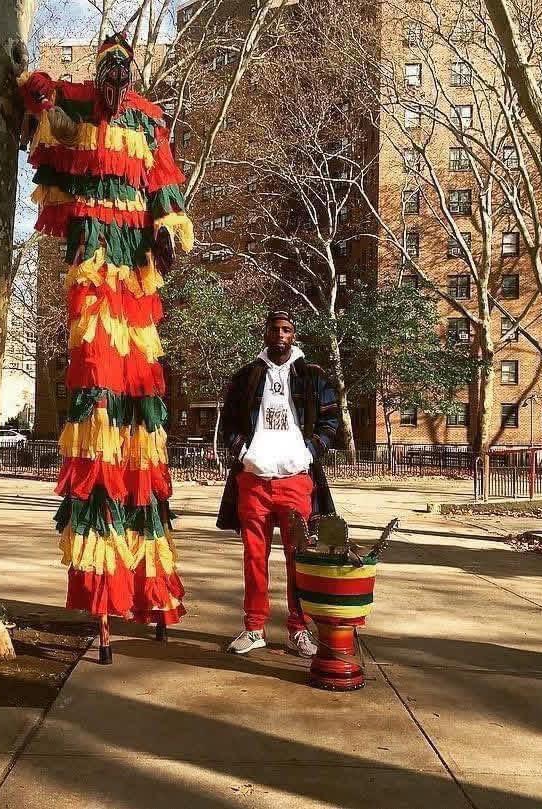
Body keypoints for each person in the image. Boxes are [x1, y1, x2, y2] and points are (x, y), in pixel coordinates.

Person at [17, 33, 194, 639]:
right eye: (107, 62)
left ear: (134, 70)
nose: (116, 69)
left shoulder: (147, 119)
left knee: (141, 399)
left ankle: (146, 581)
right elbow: (42, 103)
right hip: (94, 264)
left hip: (136, 276)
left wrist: (169, 225)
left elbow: (165, 184)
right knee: (96, 383)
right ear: (99, 69)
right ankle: (102, 593)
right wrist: (36, 90)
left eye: (125, 62)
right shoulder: (81, 103)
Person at [217, 310, 338, 657]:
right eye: (275, 329)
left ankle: (298, 630)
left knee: (297, 558)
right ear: (265, 333)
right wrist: (244, 455)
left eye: (287, 329)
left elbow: (331, 422)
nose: (280, 334)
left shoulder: (313, 376)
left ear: (294, 334)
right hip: (254, 480)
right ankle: (254, 627)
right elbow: (228, 424)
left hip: (295, 480)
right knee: (254, 557)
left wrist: (309, 454)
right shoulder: (246, 377)